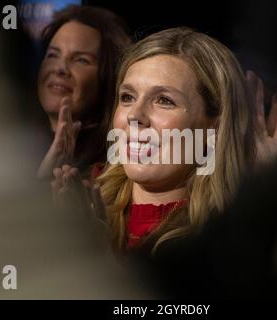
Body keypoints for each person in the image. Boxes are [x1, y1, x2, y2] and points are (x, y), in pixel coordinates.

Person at [51, 27, 257, 257]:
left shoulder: (229, 241)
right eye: (127, 97)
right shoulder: (77, 198)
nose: (134, 116)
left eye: (164, 100)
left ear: (215, 128)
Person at [36, 5, 131, 179]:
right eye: (52, 55)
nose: (60, 68)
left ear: (108, 77)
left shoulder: (115, 168)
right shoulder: (10, 142)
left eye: (81, 60)